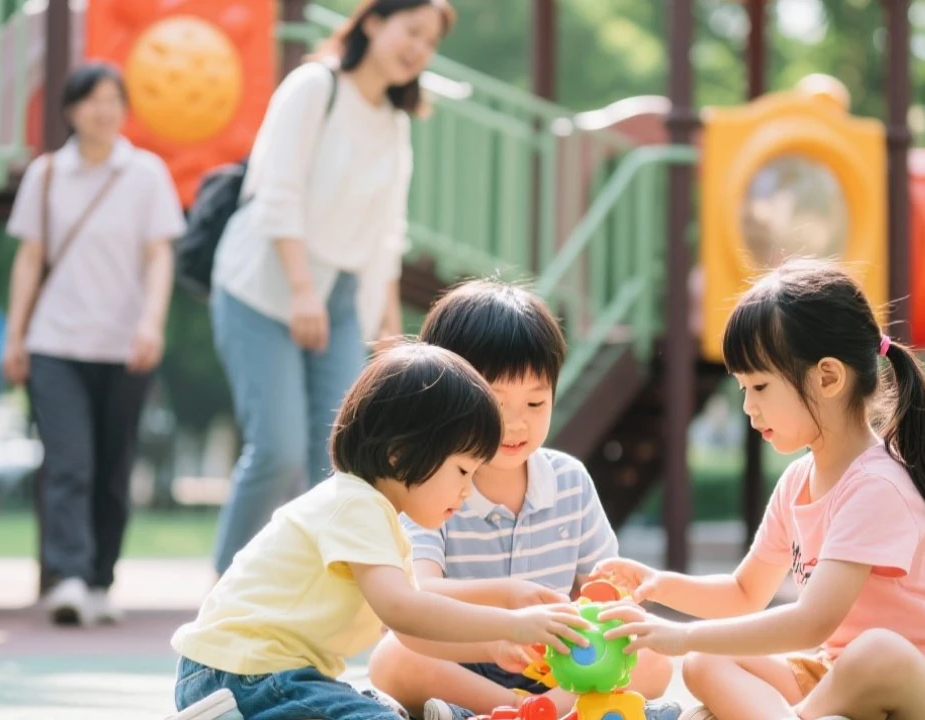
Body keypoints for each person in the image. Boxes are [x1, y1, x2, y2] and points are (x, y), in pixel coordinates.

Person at [592, 259, 925, 720]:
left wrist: (680, 634)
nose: (749, 407)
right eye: (743, 389)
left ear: (827, 377)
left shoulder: (878, 486)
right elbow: (744, 591)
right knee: (706, 660)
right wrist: (657, 586)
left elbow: (812, 622)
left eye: (760, 386)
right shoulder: (796, 483)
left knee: (876, 654)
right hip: (833, 681)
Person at [170, 343, 590, 720]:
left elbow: (411, 633)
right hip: (241, 675)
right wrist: (510, 625)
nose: (465, 491)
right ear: (400, 453)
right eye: (462, 470)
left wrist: (493, 648)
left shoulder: (378, 517)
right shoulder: (357, 505)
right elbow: (402, 610)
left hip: (270, 674)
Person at [208, 0, 455, 576]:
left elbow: (385, 237)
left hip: (342, 300)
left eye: (429, 42)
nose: (417, 48)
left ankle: (313, 595)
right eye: (410, 30)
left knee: (346, 459)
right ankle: (226, 589)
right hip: (262, 289)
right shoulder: (313, 87)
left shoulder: (395, 123)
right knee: (277, 449)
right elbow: (277, 194)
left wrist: (392, 338)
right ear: (372, 21)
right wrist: (300, 290)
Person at [366, 281, 679, 720]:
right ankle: (522, 711)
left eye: (535, 402)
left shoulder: (569, 480)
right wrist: (507, 600)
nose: (516, 425)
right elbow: (420, 592)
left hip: (555, 663)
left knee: (653, 659)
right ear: (445, 397)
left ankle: (537, 710)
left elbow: (602, 589)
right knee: (393, 656)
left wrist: (604, 617)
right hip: (462, 654)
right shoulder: (429, 483)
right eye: (496, 404)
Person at [1, 61, 186, 626]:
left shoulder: (147, 173)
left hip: (125, 345)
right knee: (68, 462)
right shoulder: (47, 175)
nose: (103, 110)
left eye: (113, 100)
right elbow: (30, 258)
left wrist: (151, 323)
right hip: (55, 340)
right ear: (70, 110)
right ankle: (71, 576)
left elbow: (159, 255)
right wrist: (16, 336)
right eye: (91, 100)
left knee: (112, 465)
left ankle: (102, 578)